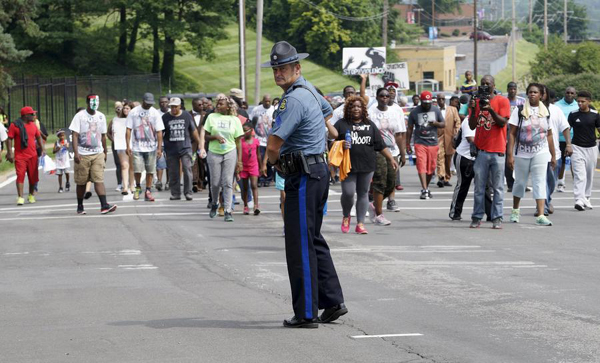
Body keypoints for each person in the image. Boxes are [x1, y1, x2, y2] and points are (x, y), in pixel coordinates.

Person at [263, 41, 345, 328]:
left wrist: (275, 165)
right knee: (313, 239)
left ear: (297, 68)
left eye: (283, 68)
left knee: (299, 244)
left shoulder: (293, 99)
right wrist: (329, 137)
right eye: (275, 69)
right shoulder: (308, 89)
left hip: (303, 174)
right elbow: (328, 114)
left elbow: (274, 144)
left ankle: (306, 312)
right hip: (317, 170)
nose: (278, 74)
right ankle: (333, 301)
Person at [335, 95, 396, 234]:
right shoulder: (341, 124)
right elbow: (331, 142)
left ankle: (360, 223)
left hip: (367, 165)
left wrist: (391, 158)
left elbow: (380, 145)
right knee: (348, 193)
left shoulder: (370, 125)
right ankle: (346, 216)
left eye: (359, 106)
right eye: (353, 106)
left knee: (363, 193)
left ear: (363, 109)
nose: (356, 109)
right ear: (348, 109)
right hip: (348, 165)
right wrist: (340, 144)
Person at [507, 83, 556, 226]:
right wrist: (510, 155)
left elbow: (549, 134)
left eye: (535, 92)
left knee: (540, 181)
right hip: (522, 152)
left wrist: (553, 155)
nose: (532, 94)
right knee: (520, 182)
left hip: (540, 151)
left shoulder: (546, 111)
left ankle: (541, 214)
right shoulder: (520, 110)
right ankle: (515, 210)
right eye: (530, 92)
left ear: (541, 95)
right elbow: (512, 133)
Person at [468, 75, 511, 229]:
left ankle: (497, 217)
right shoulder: (476, 102)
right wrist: (473, 109)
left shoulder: (502, 101)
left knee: (498, 187)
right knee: (479, 187)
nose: (485, 86)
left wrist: (491, 110)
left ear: (494, 85)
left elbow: (503, 122)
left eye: (488, 84)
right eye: (483, 84)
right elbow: (472, 126)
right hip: (482, 151)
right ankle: (477, 216)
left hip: (498, 150)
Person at [69, 95, 117, 215]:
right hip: (83, 153)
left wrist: (105, 152)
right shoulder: (80, 116)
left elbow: (103, 135)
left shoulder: (101, 116)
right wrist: (76, 153)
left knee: (98, 179)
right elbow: (75, 135)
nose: (95, 103)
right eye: (92, 101)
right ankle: (80, 206)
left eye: (97, 101)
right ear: (87, 102)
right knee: (81, 182)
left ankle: (104, 205)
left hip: (97, 153)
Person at [367, 88, 404, 224]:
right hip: (377, 151)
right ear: (377, 97)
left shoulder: (395, 112)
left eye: (387, 96)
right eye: (382, 96)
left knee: (391, 183)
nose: (384, 98)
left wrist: (402, 153)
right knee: (380, 182)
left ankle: (374, 204)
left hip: (393, 151)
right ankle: (379, 214)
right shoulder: (371, 112)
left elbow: (399, 134)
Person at [204, 97, 244, 221]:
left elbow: (238, 142)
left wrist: (240, 161)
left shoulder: (235, 120)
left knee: (227, 182)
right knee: (215, 183)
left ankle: (228, 210)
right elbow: (206, 136)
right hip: (214, 152)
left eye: (221, 104)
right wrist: (215, 136)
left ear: (228, 106)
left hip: (230, 151)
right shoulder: (211, 117)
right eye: (217, 103)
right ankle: (215, 203)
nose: (218, 105)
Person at [126, 92, 164, 202]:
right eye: (147, 103)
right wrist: (128, 145)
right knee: (137, 169)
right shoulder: (134, 112)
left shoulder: (154, 113)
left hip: (151, 147)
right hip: (137, 147)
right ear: (143, 101)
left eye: (151, 103)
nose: (149, 105)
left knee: (150, 170)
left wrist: (159, 148)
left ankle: (148, 190)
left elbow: (159, 131)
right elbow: (128, 129)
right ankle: (138, 187)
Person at [407, 91, 445, 199]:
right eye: (425, 103)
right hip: (420, 143)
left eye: (429, 103)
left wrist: (436, 124)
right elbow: (409, 129)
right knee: (421, 165)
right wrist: (407, 144)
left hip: (433, 143)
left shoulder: (436, 110)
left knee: (431, 168)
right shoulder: (414, 112)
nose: (427, 105)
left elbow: (443, 124)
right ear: (420, 101)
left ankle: (426, 188)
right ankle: (424, 189)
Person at [162, 97, 201, 201]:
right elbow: (160, 133)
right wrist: (159, 147)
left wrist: (200, 144)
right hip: (171, 149)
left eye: (175, 107)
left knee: (187, 169)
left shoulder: (186, 115)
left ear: (180, 106)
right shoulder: (165, 117)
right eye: (171, 107)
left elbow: (194, 131)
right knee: (173, 172)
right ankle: (175, 193)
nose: (173, 109)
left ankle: (188, 192)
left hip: (185, 147)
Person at [5, 106, 45, 205]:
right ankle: (20, 197)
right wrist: (10, 152)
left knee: (32, 177)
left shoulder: (33, 125)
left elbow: (39, 137)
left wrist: (43, 149)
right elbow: (9, 139)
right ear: (26, 115)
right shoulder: (15, 125)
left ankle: (31, 195)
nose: (34, 115)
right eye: (32, 114)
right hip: (20, 156)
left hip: (33, 156)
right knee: (20, 176)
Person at [542, 85, 572, 216]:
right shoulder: (530, 110)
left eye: (543, 93)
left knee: (551, 182)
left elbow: (565, 128)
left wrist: (569, 144)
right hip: (537, 152)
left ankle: (547, 200)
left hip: (555, 153)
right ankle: (543, 206)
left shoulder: (556, 110)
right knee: (541, 181)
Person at [568, 90, 600, 211]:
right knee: (579, 175)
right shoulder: (573, 114)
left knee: (589, 175)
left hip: (591, 148)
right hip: (577, 147)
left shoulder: (595, 114)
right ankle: (579, 200)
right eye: (578, 101)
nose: (580, 103)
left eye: (583, 101)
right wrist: (568, 145)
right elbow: (567, 129)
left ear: (589, 101)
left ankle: (586, 197)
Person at [449, 115, 477, 220]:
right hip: (465, 157)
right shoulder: (469, 119)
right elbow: (471, 139)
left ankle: (490, 213)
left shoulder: (487, 119)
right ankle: (455, 212)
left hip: (479, 158)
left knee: (485, 186)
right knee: (463, 185)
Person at [555, 87, 579, 192]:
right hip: (560, 138)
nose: (569, 94)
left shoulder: (578, 105)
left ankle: (577, 185)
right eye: (567, 93)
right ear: (564, 93)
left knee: (575, 162)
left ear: (575, 94)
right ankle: (560, 182)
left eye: (572, 93)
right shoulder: (557, 105)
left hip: (575, 138)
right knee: (562, 162)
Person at [108, 101, 135, 195]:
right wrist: (114, 138)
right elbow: (110, 131)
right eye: (124, 108)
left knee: (132, 166)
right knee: (124, 165)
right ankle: (125, 187)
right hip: (121, 145)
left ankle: (132, 185)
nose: (125, 110)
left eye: (127, 108)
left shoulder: (134, 119)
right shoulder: (116, 119)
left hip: (132, 145)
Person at [250, 94, 275, 187]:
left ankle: (268, 178)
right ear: (263, 101)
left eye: (269, 101)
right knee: (259, 158)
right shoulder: (256, 110)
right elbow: (252, 122)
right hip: (259, 139)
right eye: (266, 101)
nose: (267, 103)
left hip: (270, 139)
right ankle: (260, 178)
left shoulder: (274, 110)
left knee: (268, 160)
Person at [440, 93, 462, 186]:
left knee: (448, 159)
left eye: (442, 99)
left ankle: (446, 178)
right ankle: (440, 176)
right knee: (439, 157)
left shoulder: (452, 110)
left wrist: (456, 134)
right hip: (438, 138)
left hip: (450, 137)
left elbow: (458, 122)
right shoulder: (435, 109)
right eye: (439, 99)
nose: (441, 101)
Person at [240, 122, 261, 215]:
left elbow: (258, 154)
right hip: (244, 167)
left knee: (254, 185)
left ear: (251, 130)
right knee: (245, 187)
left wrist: (261, 166)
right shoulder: (240, 141)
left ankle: (256, 206)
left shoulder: (256, 141)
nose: (244, 133)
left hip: (254, 166)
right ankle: (245, 206)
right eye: (243, 131)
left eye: (246, 131)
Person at [190, 97, 206, 192]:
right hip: (191, 143)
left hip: (204, 143)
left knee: (202, 162)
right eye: (199, 105)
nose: (202, 106)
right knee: (193, 161)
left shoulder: (206, 115)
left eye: (202, 104)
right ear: (193, 105)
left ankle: (201, 181)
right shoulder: (188, 115)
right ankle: (194, 182)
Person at [155, 96, 170, 191]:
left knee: (169, 163)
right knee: (160, 163)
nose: (164, 104)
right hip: (159, 142)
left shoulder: (171, 112)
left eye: (165, 102)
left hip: (169, 142)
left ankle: (168, 182)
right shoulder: (156, 113)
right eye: (161, 102)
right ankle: (159, 181)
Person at [110, 102, 124, 192]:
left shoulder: (127, 119)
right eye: (117, 107)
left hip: (125, 144)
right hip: (116, 144)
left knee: (127, 164)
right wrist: (113, 139)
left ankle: (131, 182)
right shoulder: (113, 120)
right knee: (118, 164)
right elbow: (108, 133)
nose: (119, 109)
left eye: (120, 107)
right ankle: (119, 183)